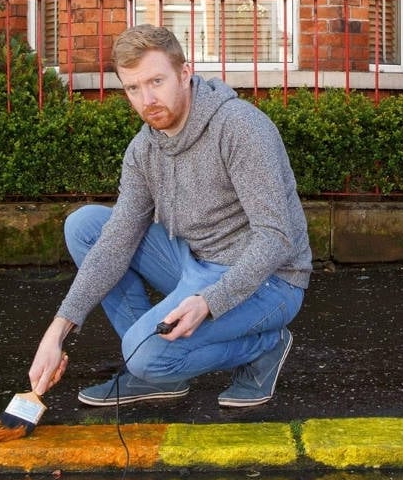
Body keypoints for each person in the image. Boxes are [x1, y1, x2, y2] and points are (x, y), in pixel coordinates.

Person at [26, 24, 312, 408]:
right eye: (133, 88)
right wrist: (56, 332)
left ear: (184, 72)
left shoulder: (240, 128)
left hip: (271, 282)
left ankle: (264, 347)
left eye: (156, 81)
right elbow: (117, 240)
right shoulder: (144, 149)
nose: (147, 99)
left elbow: (276, 238)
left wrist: (211, 300)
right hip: (194, 262)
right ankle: (151, 373)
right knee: (86, 227)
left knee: (145, 353)